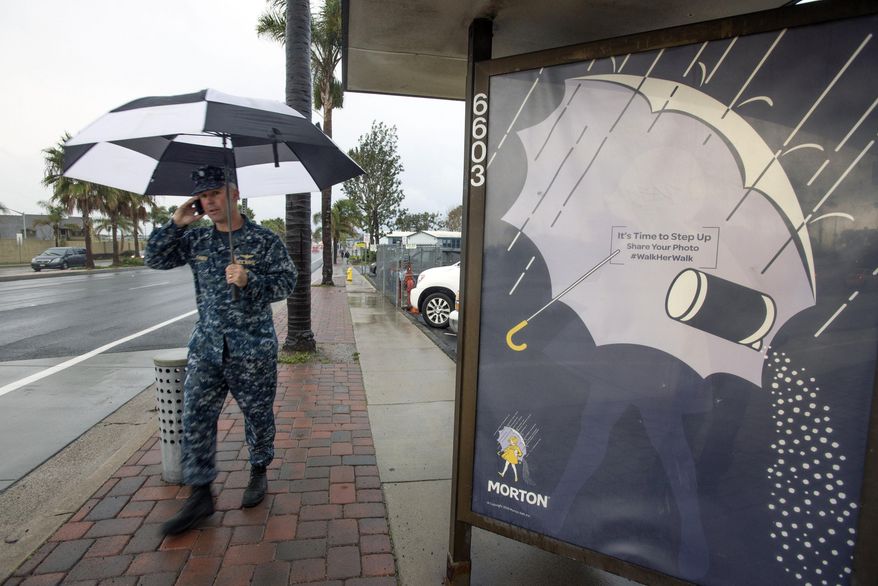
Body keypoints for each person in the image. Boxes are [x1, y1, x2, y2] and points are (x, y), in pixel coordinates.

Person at [145, 165, 297, 535]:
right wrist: (176, 223)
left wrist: (250, 280)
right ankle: (200, 495)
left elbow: (287, 282)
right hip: (207, 347)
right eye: (202, 196)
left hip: (253, 348)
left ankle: (258, 470)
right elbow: (155, 258)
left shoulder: (264, 240)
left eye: (214, 193)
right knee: (195, 417)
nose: (208, 201)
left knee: (258, 416)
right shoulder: (196, 240)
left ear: (234, 193)